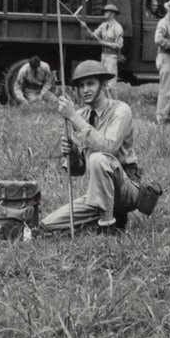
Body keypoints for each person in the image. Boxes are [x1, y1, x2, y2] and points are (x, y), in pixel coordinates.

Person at [40, 59, 140, 234]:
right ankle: (101, 217)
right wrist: (72, 153)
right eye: (81, 85)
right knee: (47, 226)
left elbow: (108, 148)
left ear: (103, 84)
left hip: (126, 189)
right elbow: (78, 170)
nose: (85, 90)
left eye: (91, 84)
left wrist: (73, 117)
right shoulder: (80, 115)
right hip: (98, 192)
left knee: (98, 158)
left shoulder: (121, 110)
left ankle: (108, 226)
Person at [92, 2, 124, 96]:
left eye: (107, 12)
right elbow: (94, 36)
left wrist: (104, 43)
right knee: (103, 82)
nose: (104, 14)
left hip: (112, 57)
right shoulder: (103, 26)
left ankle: (115, 104)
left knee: (111, 84)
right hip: (104, 56)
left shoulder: (117, 28)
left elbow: (119, 45)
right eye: (105, 12)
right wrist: (85, 28)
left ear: (112, 14)